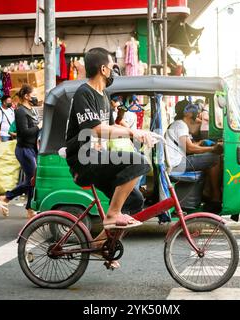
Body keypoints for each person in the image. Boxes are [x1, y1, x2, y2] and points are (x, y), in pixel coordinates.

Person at [65, 48, 153, 268]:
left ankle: (102, 246)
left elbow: (114, 126)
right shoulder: (84, 93)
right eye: (113, 65)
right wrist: (133, 134)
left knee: (135, 200)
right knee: (139, 162)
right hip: (84, 160)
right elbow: (97, 129)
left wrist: (143, 132)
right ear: (103, 69)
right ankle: (112, 213)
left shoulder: (103, 97)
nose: (115, 69)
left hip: (99, 158)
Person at [165, 100, 223, 213]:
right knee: (215, 159)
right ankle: (215, 197)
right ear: (188, 113)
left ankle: (207, 191)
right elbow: (190, 149)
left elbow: (187, 146)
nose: (196, 111)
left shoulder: (178, 124)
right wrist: (212, 149)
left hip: (177, 161)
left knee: (209, 157)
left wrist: (201, 142)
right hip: (178, 164)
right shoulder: (180, 125)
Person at [0, 84, 42, 219]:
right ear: (27, 96)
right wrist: (39, 127)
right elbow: (24, 132)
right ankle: (6, 197)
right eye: (34, 94)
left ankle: (29, 208)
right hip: (24, 150)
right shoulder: (21, 111)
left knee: (32, 180)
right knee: (33, 180)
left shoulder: (32, 110)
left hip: (33, 149)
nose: (36, 97)